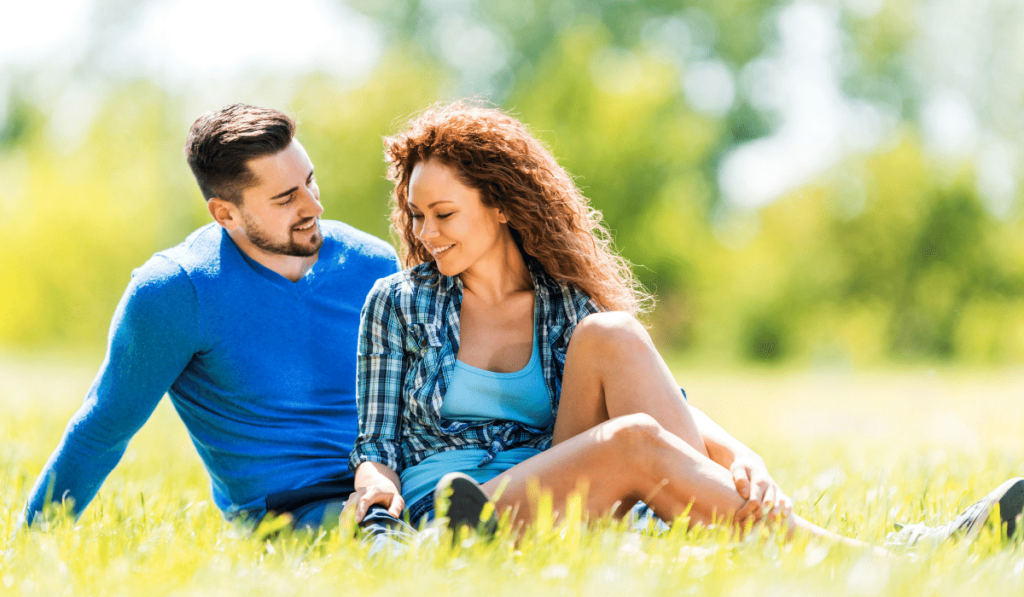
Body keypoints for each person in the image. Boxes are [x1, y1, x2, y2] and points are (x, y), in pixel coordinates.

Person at [346, 102, 1024, 549]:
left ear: (498, 205)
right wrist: (374, 485)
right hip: (462, 512)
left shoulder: (564, 306)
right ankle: (881, 559)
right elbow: (375, 440)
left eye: (442, 213)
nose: (423, 232)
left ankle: (883, 547)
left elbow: (672, 407)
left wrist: (743, 457)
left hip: (559, 489)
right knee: (634, 441)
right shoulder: (398, 302)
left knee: (613, 335)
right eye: (414, 215)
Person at [22, 104, 405, 534]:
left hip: (397, 481)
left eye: (310, 180)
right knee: (391, 539)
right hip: (290, 510)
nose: (313, 205)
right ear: (226, 214)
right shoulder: (176, 291)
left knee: (482, 505)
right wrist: (31, 540)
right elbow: (101, 431)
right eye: (286, 198)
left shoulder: (372, 263)